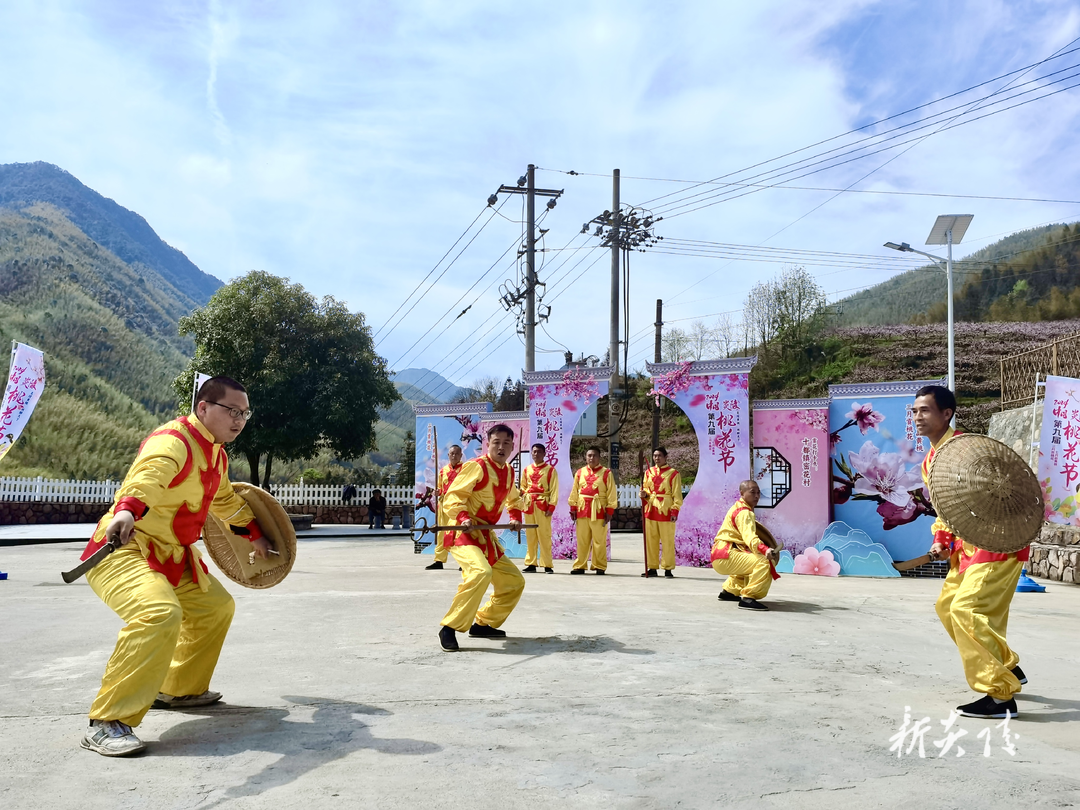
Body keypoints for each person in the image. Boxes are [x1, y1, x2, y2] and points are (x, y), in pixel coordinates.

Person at [78, 376, 270, 757]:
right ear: (203, 408)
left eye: (245, 414)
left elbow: (225, 501)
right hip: (124, 548)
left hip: (172, 557)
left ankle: (178, 689)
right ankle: (107, 723)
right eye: (232, 411)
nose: (239, 420)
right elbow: (147, 477)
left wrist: (257, 535)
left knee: (216, 607)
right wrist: (128, 511)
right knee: (158, 614)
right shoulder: (174, 441)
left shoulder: (217, 454)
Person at [914, 384, 1027, 719]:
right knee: (947, 606)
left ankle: (1001, 695)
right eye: (915, 411)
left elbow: (1003, 492)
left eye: (925, 410)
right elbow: (948, 510)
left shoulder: (969, 450)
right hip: (965, 548)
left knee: (966, 610)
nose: (918, 416)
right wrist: (942, 538)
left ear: (946, 414)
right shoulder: (930, 460)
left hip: (996, 542)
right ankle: (1006, 665)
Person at [437, 424, 526, 652]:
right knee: (480, 572)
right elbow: (453, 496)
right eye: (496, 442)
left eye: (506, 443)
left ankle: (483, 623)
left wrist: (515, 517)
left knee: (514, 582)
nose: (501, 447)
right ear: (488, 444)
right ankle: (449, 627)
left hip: (485, 536)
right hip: (462, 532)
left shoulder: (508, 471)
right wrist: (464, 516)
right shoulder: (476, 467)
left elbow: (514, 500)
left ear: (512, 446)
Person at [710, 480, 779, 611]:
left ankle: (730, 591)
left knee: (748, 561)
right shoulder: (744, 512)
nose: (756, 496)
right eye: (752, 492)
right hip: (726, 554)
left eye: (758, 493)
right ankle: (748, 598)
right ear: (742, 493)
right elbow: (750, 538)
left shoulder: (737, 507)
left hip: (721, 554)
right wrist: (765, 550)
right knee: (764, 562)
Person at [568, 446, 617, 575]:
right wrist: (573, 507)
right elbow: (575, 491)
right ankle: (580, 565)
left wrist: (610, 510)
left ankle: (599, 565)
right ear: (586, 457)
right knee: (582, 540)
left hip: (599, 510)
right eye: (589, 455)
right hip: (582, 509)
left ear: (599, 457)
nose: (591, 458)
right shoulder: (580, 472)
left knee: (599, 540)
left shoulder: (606, 473)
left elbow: (611, 492)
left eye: (594, 455)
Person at [640, 447, 682, 578]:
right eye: (654, 456)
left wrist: (675, 510)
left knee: (667, 540)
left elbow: (677, 494)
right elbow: (646, 489)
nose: (656, 458)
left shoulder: (673, 473)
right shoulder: (648, 472)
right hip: (651, 508)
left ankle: (668, 568)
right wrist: (644, 494)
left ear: (665, 457)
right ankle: (652, 567)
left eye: (659, 456)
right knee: (651, 540)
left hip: (666, 509)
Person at [521, 443, 559, 574]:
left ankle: (547, 564)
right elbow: (523, 486)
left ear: (544, 454)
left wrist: (551, 506)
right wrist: (521, 493)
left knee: (544, 535)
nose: (536, 454)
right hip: (529, 504)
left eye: (539, 452)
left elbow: (554, 490)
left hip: (543, 505)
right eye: (534, 452)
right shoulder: (527, 470)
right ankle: (531, 563)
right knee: (530, 535)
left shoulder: (550, 470)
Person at [426, 444, 463, 570]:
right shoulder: (443, 471)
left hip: (458, 505)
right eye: (452, 453)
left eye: (456, 453)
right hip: (444, 505)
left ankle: (463, 561)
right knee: (441, 532)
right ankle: (439, 560)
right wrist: (438, 492)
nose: (454, 456)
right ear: (448, 455)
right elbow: (440, 488)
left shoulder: (465, 469)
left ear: (461, 455)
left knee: (459, 533)